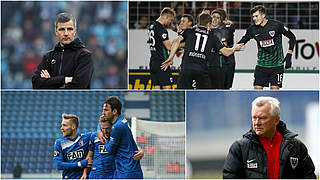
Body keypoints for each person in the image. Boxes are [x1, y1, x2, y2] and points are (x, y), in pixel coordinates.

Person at [223, 96, 316, 178]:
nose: (257, 123)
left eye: (262, 118)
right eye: (254, 118)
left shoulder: (296, 147)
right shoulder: (239, 148)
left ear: (276, 120)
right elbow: (230, 176)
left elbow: (309, 175)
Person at [161, 13, 244, 89]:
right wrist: (234, 48)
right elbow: (226, 52)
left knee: (182, 94)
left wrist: (171, 57)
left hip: (186, 68)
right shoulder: (212, 36)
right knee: (204, 95)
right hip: (201, 70)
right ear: (208, 24)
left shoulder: (189, 31)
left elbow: (176, 41)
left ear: (198, 22)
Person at [237, 5, 296, 90]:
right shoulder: (252, 29)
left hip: (277, 65)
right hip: (261, 65)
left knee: (274, 91)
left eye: (256, 16)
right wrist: (233, 48)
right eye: (253, 16)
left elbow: (292, 37)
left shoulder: (276, 25)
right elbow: (242, 42)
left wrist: (289, 54)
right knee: (257, 90)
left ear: (263, 15)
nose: (254, 18)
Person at [32, 12, 93, 89]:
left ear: (75, 31)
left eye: (70, 29)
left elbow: (80, 86)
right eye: (62, 29)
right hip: (53, 101)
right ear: (56, 31)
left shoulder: (84, 56)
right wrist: (64, 79)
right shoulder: (48, 57)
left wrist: (50, 82)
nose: (66, 33)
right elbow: (36, 83)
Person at [97, 96, 144, 178]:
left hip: (127, 171)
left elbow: (110, 150)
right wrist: (98, 130)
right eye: (103, 110)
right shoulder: (121, 121)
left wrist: (105, 138)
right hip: (126, 168)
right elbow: (102, 122)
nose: (103, 113)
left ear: (114, 111)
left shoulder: (117, 127)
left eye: (106, 110)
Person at [53, 114, 92, 179]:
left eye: (64, 125)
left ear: (73, 127)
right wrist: (79, 164)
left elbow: (101, 128)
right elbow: (59, 165)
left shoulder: (86, 138)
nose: (61, 128)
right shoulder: (59, 143)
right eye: (62, 125)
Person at [147, 7, 176, 90]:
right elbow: (169, 47)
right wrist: (180, 45)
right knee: (167, 89)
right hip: (163, 63)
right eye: (170, 20)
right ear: (166, 17)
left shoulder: (152, 26)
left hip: (153, 61)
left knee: (156, 88)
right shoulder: (161, 29)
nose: (170, 23)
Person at [209, 8, 236, 89]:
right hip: (210, 64)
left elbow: (231, 29)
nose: (215, 19)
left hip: (225, 63)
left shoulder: (225, 30)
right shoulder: (206, 30)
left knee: (224, 87)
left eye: (218, 17)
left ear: (222, 20)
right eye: (213, 17)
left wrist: (232, 25)